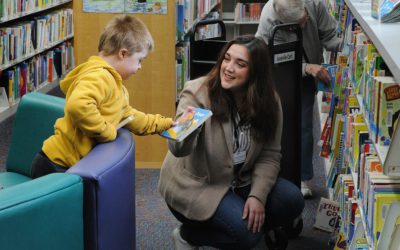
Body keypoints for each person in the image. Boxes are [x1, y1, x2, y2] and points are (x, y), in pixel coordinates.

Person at [158, 35, 304, 250]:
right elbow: (178, 150)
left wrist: (257, 196)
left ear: (256, 72)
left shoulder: (269, 101)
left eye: (240, 64)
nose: (229, 68)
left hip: (241, 179)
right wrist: (188, 128)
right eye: (227, 59)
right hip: (199, 184)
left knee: (293, 201)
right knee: (245, 235)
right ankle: (188, 235)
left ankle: (246, 223)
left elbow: (270, 154)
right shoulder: (197, 93)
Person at [31, 15, 173, 178]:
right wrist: (106, 131)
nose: (140, 67)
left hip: (67, 164)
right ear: (123, 53)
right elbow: (78, 105)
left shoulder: (114, 83)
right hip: (56, 164)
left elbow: (129, 116)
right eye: (140, 60)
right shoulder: (100, 77)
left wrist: (163, 124)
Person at [256, 0, 342, 198]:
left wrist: (351, 46)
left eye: (305, 19)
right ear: (283, 20)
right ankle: (273, 174)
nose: (305, 24)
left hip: (307, 76)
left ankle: (302, 177)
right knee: (278, 124)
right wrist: (306, 67)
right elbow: (269, 57)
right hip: (278, 73)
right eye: (299, 24)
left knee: (304, 127)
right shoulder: (269, 17)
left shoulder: (315, 4)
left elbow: (329, 36)